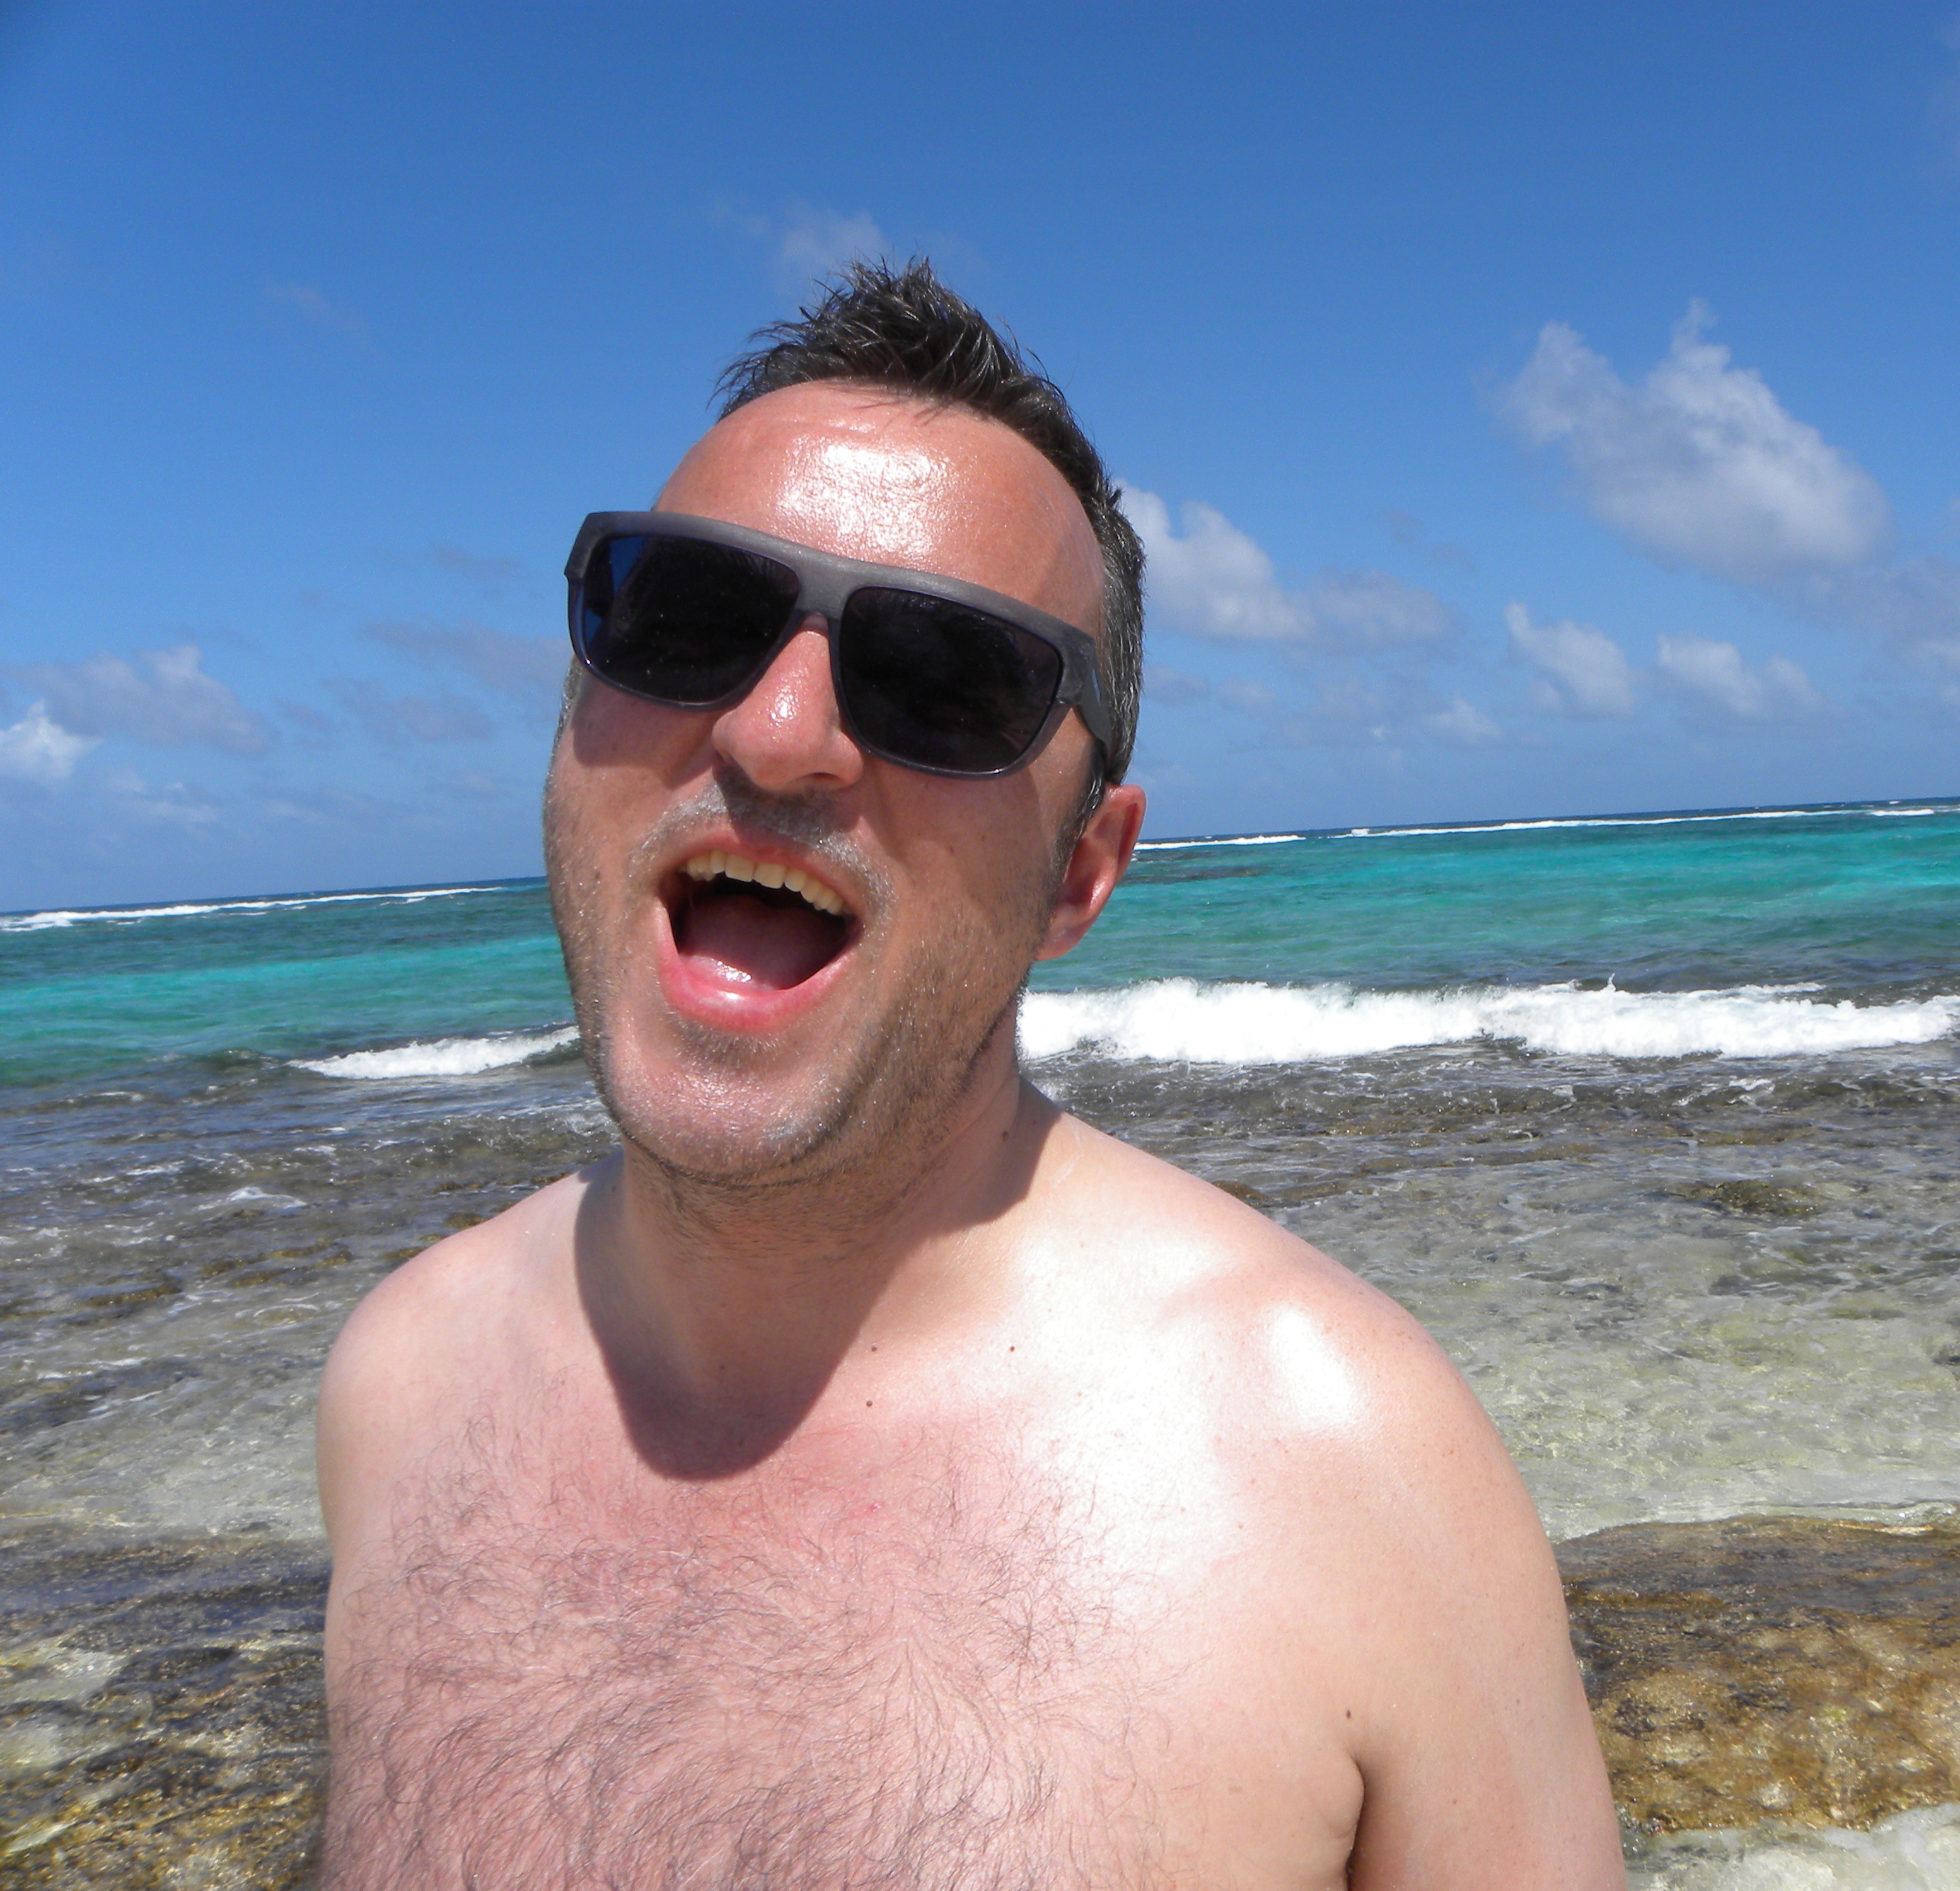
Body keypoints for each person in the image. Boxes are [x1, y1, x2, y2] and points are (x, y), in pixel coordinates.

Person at [316, 261, 1625, 1888]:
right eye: (687, 617)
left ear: (1081, 871)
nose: (778, 733)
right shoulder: (401, 1386)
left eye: (943, 678)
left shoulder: (1345, 1473)